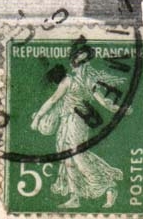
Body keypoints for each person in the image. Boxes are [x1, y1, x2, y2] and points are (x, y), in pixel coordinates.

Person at [31, 61, 126, 208]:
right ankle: (75, 196)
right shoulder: (77, 80)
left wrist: (37, 118)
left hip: (75, 121)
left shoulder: (66, 82)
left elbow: (52, 100)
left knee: (78, 156)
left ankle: (107, 186)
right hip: (69, 122)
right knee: (69, 158)